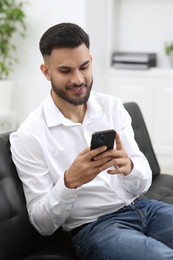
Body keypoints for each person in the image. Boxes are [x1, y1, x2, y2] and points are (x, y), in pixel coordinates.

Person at [10, 22, 173, 260]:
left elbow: (142, 182)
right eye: (65, 71)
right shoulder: (28, 136)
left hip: (145, 208)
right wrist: (69, 183)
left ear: (91, 61)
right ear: (46, 71)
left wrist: (130, 168)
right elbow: (42, 224)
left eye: (84, 67)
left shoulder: (112, 107)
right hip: (96, 228)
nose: (78, 79)